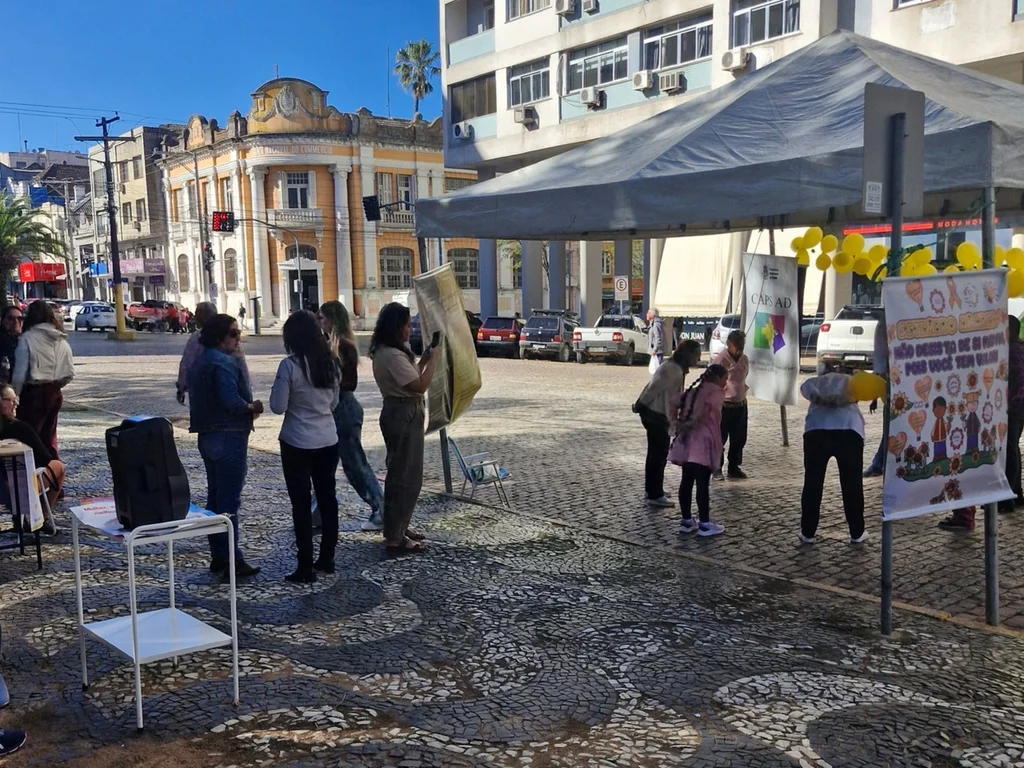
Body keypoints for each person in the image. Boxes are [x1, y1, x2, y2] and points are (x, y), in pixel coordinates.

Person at [187, 314, 262, 580]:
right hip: (228, 435)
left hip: (206, 436)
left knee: (215, 498)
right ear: (219, 336)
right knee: (228, 501)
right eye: (233, 333)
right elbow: (231, 400)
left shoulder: (199, 360)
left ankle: (218, 555)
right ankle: (232, 559)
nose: (238, 338)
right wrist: (251, 407)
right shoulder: (223, 362)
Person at [270, 311, 340, 584]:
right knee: (327, 499)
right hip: (327, 439)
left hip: (297, 441)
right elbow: (334, 403)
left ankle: (305, 566)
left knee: (300, 505)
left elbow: (278, 406)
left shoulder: (289, 367)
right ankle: (327, 558)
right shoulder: (331, 364)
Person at [370, 303, 436, 554]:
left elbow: (410, 378)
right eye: (408, 325)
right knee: (405, 477)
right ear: (397, 327)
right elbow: (418, 385)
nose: (411, 329)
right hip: (402, 412)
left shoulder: (392, 352)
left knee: (405, 474)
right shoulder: (391, 354)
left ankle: (398, 526)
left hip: (403, 409)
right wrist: (435, 361)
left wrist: (424, 359)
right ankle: (395, 536)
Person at [319, 301, 384, 532]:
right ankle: (318, 512)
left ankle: (381, 509)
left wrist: (330, 385)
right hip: (333, 411)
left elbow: (351, 383)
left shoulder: (343, 345)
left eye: (323, 318)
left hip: (345, 411)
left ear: (332, 320)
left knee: (354, 464)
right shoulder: (329, 344)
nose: (320, 322)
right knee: (324, 464)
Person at [798, 370, 868, 545]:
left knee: (813, 483)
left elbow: (805, 389)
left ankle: (807, 532)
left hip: (816, 430)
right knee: (852, 484)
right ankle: (857, 532)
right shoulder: (851, 384)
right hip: (850, 430)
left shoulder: (814, 383)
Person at [633, 340, 703, 508]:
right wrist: (640, 404)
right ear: (689, 355)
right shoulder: (673, 369)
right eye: (697, 355)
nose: (699, 358)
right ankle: (654, 494)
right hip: (656, 414)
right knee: (657, 455)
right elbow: (653, 388)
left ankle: (654, 489)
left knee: (656, 455)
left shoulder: (676, 368)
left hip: (659, 414)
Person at [669, 364, 728, 536]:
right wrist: (693, 422)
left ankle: (686, 520)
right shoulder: (716, 393)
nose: (726, 383)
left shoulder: (693, 391)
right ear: (718, 378)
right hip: (703, 441)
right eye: (725, 379)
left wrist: (677, 423)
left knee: (686, 481)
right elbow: (707, 410)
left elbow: (673, 402)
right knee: (702, 483)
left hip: (686, 442)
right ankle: (704, 523)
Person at [11, 301, 73, 458]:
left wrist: (13, 396)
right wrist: (56, 384)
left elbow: (19, 373)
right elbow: (69, 372)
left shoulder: (27, 339)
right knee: (49, 438)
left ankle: (35, 474)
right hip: (55, 392)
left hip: (33, 394)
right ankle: (53, 473)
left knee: (30, 438)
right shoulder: (60, 339)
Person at [0, 385, 65, 534]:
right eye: (10, 400)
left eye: (16, 400)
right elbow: (45, 458)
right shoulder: (20, 428)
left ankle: (21, 517)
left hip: (4, 488)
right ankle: (42, 517)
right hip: (17, 490)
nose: (16, 404)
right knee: (58, 467)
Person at [177, 302, 250, 405]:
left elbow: (186, 364)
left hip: (202, 396)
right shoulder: (229, 338)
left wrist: (181, 387)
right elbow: (243, 371)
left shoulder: (195, 338)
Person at [713, 329, 749, 481]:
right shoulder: (722, 359)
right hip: (725, 406)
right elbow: (713, 380)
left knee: (739, 438)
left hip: (740, 404)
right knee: (720, 438)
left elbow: (744, 376)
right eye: (736, 346)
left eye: (742, 345)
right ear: (729, 345)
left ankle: (734, 466)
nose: (739, 349)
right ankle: (716, 468)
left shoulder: (744, 359)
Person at [863, 312, 889, 478]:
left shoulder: (885, 324)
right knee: (890, 429)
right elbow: (880, 361)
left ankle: (879, 464)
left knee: (890, 429)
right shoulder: (885, 325)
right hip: (892, 386)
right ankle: (879, 463)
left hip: (893, 385)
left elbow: (879, 362)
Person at [1005, 314, 1024, 511]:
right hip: (1020, 407)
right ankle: (1017, 492)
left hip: (1013, 406)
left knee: (1010, 449)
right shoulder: (1021, 347)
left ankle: (1008, 497)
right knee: (1013, 448)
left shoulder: (1009, 351)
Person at [0, 305, 23, 385]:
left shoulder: (25, 340)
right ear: (3, 321)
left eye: (19, 318)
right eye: (10, 318)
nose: (16, 321)